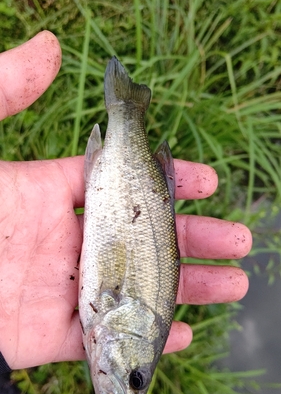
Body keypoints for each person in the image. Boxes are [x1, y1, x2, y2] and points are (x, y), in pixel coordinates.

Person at [0, 31, 252, 373]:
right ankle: (127, 112)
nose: (129, 383)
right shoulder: (111, 311)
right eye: (134, 378)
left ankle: (126, 112)